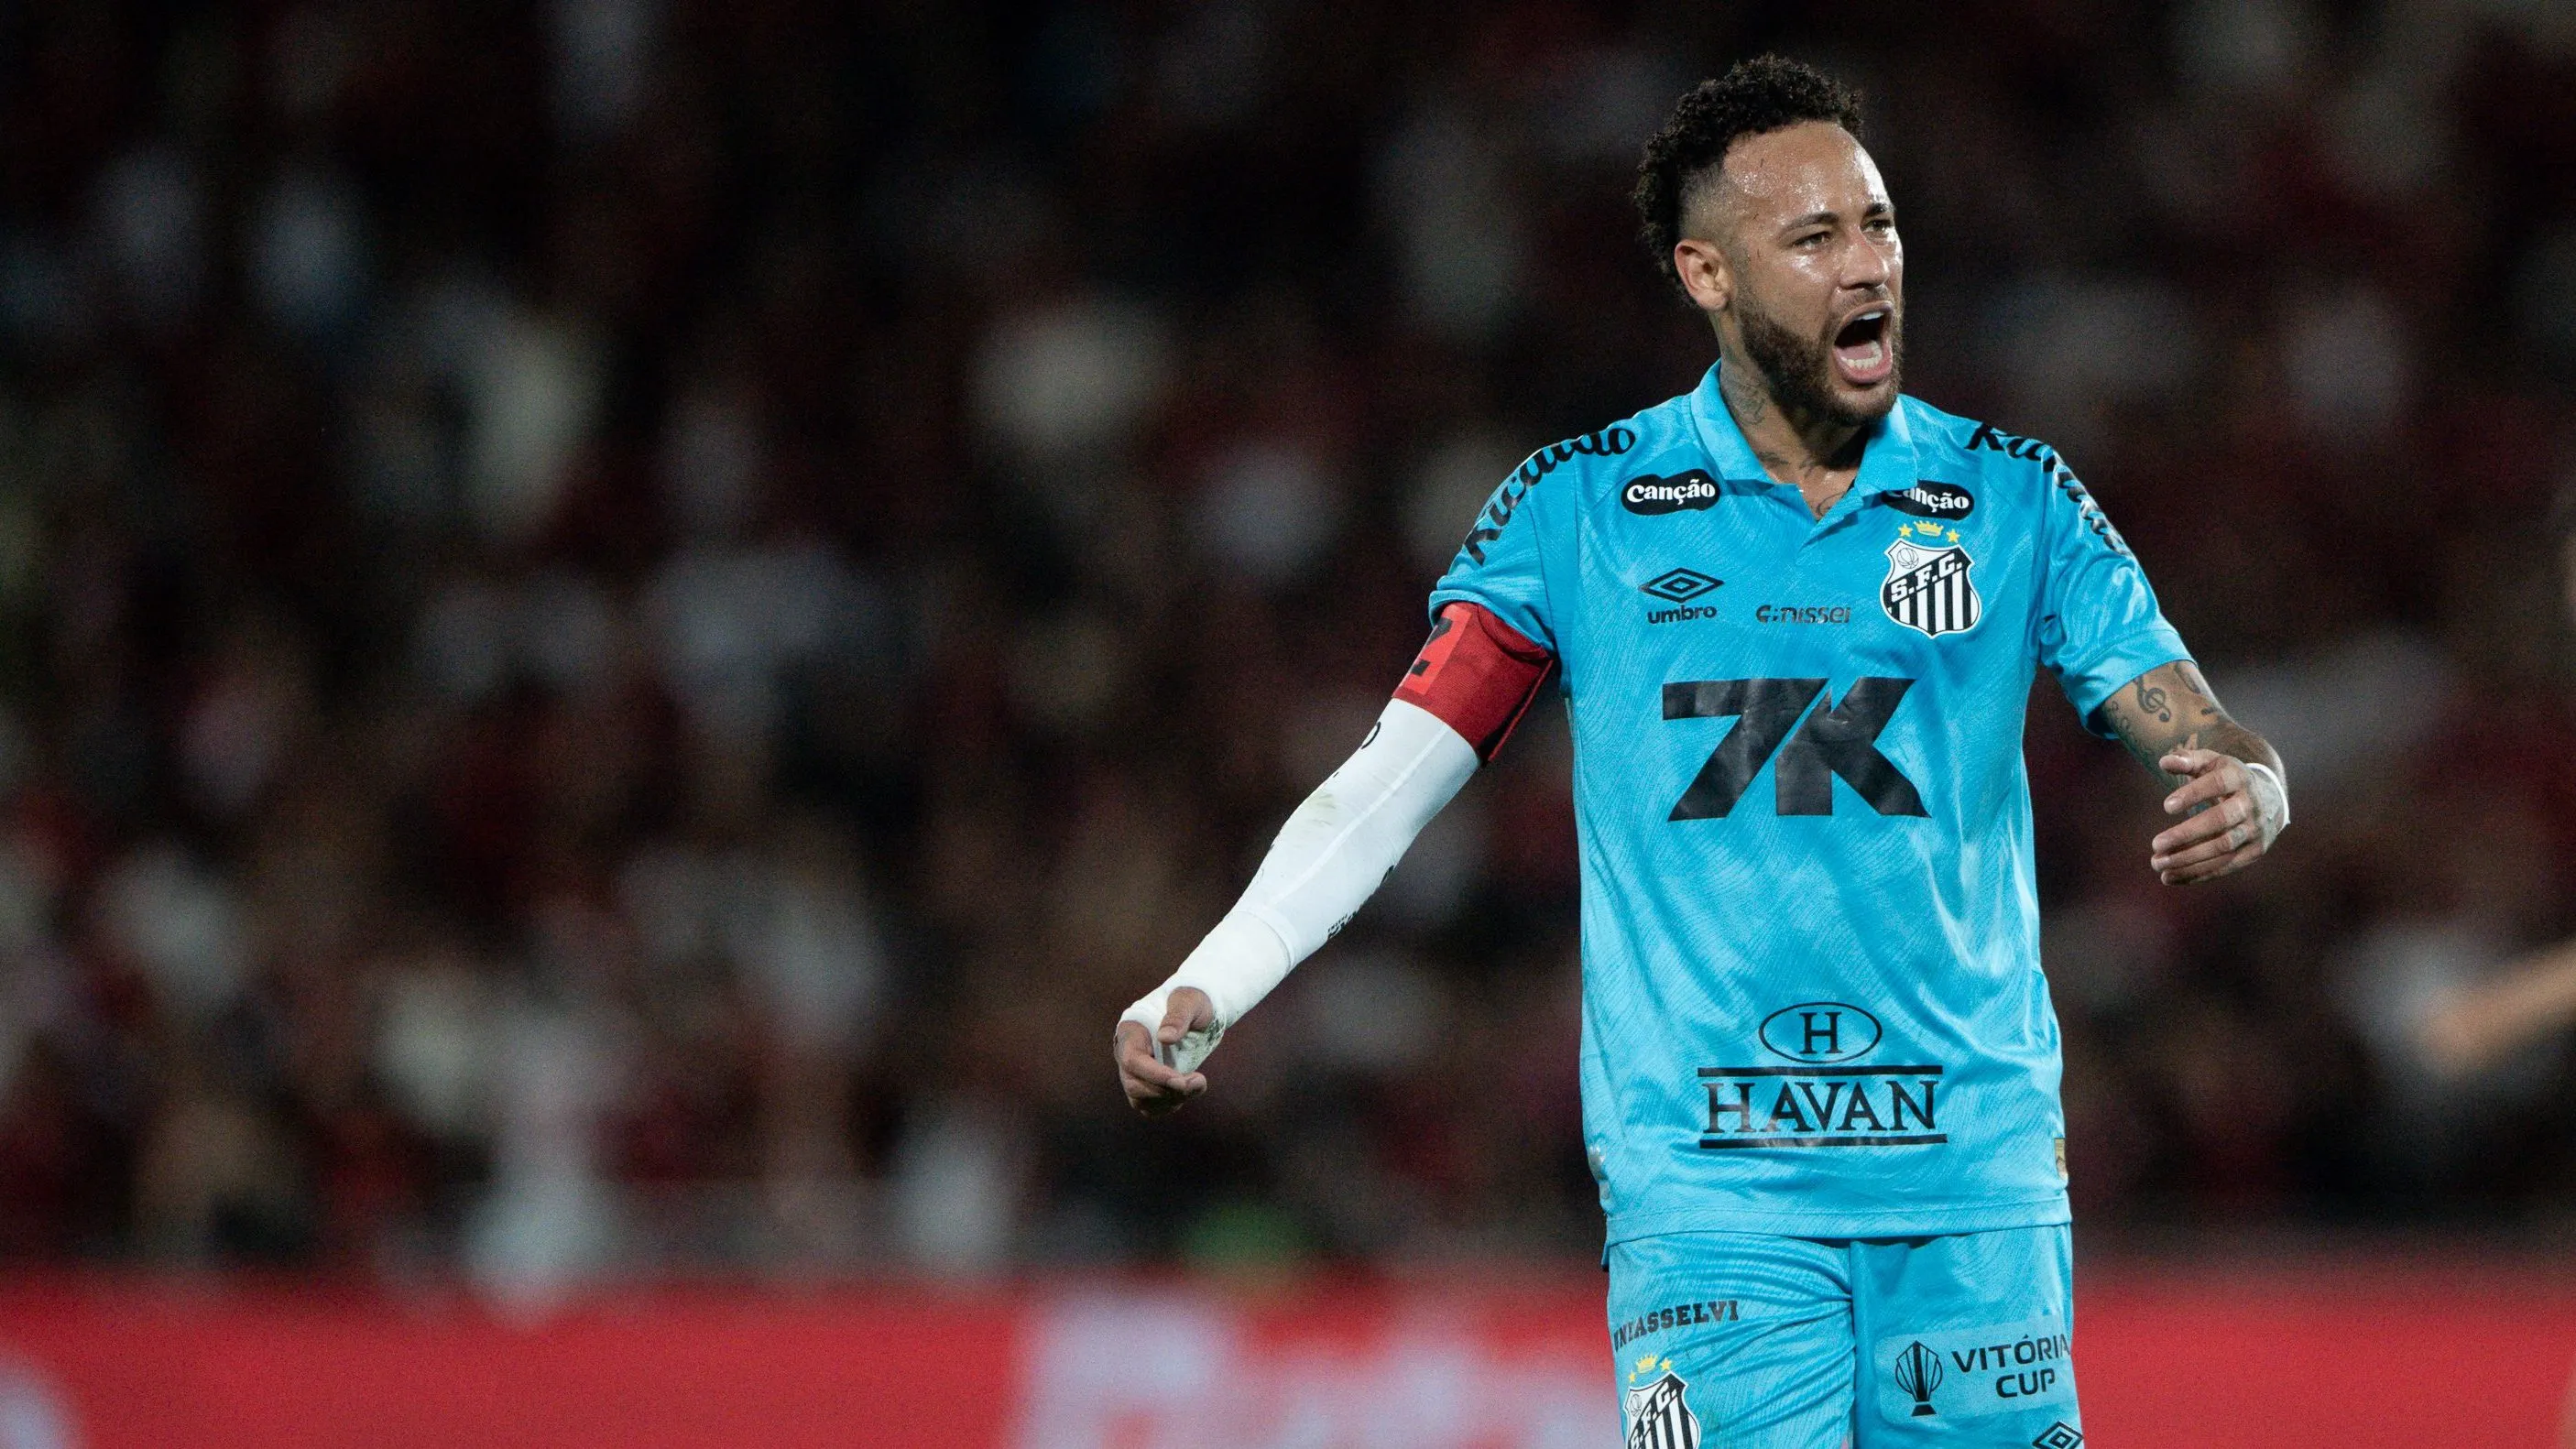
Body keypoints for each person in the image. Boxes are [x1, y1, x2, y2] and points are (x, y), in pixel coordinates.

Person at [1110, 56, 2287, 1449]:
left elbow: (2191, 714)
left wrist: (2247, 778)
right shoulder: (1581, 510)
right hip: (1714, 1199)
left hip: (1972, 1181)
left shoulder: (2012, 497)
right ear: (1707, 275)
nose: (1869, 268)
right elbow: (1386, 787)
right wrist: (1216, 973)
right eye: (1815, 237)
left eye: (1881, 226)